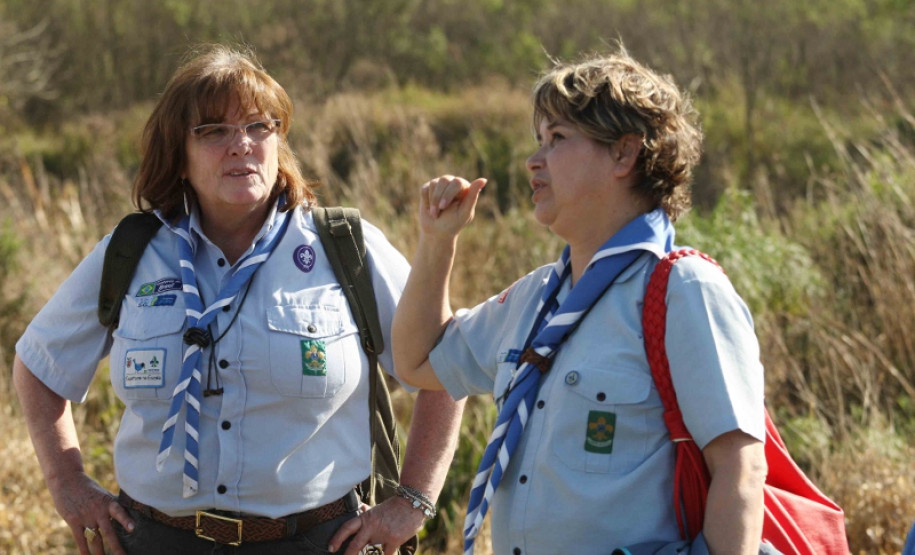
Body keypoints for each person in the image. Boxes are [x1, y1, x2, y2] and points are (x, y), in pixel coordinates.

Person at [13, 44, 463, 555]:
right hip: (157, 541)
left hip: (313, 541)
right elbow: (39, 364)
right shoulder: (132, 252)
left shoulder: (344, 248)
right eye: (213, 131)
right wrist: (67, 483)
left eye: (258, 127)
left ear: (278, 142)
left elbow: (445, 367)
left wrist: (413, 501)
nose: (241, 145)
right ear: (178, 156)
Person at [392, 48, 768, 555]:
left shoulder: (684, 289)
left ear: (623, 154)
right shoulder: (538, 297)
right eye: (538, 140)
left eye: (558, 139)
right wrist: (437, 242)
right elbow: (418, 363)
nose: (534, 160)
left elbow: (740, 468)